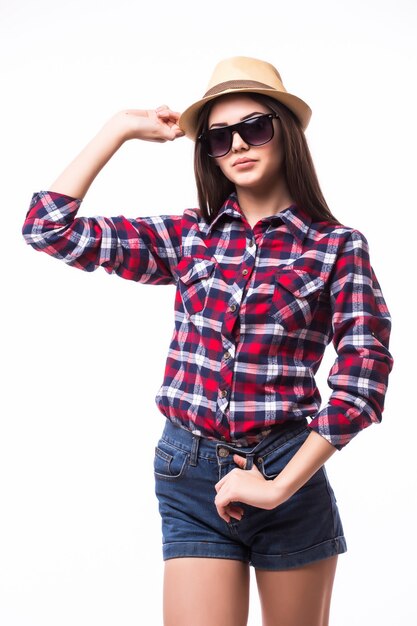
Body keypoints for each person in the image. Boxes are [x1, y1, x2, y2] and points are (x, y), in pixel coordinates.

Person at [22, 56, 393, 626]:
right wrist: (119, 128)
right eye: (220, 137)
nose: (239, 144)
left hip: (287, 469)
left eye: (256, 127)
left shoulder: (337, 247)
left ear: (285, 134)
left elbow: (362, 380)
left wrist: (279, 486)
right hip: (189, 472)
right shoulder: (189, 236)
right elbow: (49, 230)